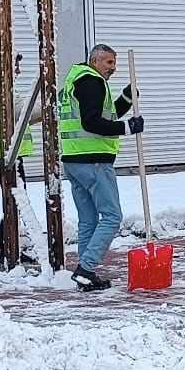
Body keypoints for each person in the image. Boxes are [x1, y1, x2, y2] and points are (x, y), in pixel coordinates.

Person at [59, 44, 143, 292]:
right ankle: (86, 267)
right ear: (95, 61)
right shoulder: (91, 82)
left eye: (115, 63)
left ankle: (86, 273)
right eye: (108, 62)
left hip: (74, 160)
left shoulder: (76, 80)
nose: (113, 68)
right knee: (112, 216)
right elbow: (93, 123)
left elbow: (105, 115)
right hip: (93, 161)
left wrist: (126, 99)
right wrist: (128, 128)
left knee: (88, 220)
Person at [0, 52, 38, 267]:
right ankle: (3, 248)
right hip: (4, 154)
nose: (19, 71)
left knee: (15, 200)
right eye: (16, 66)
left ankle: (1, 247)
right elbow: (22, 113)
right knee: (16, 199)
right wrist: (48, 104)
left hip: (5, 153)